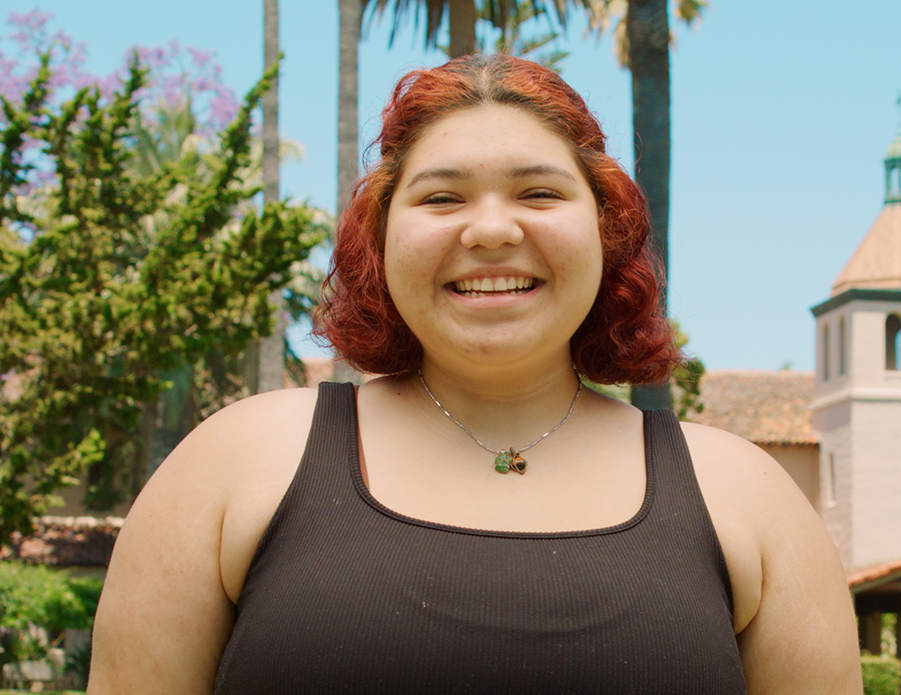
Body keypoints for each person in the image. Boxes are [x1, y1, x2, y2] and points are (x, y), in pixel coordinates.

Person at [88, 54, 861, 694]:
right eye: (443, 196)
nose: (491, 229)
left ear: (606, 229)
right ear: (380, 236)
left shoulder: (752, 501)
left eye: (539, 192)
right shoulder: (231, 465)